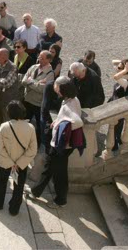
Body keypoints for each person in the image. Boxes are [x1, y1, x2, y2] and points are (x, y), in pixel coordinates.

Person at [28, 76, 83, 208]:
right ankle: (36, 192)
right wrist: (58, 120)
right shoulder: (73, 99)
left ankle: (60, 200)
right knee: (52, 169)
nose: (55, 89)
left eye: (57, 88)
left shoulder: (69, 104)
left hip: (62, 145)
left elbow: (77, 122)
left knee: (58, 173)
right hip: (64, 145)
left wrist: (62, 125)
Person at [0, 100, 37, 214]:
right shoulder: (30, 127)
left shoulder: (4, 127)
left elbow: (0, 148)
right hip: (21, 165)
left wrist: (11, 162)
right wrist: (18, 164)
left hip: (4, 162)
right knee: (19, 187)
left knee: (0, 182)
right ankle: (14, 209)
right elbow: (32, 150)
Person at [22, 51, 54, 148]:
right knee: (24, 122)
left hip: (38, 103)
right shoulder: (33, 67)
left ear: (48, 60)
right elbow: (23, 81)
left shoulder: (50, 74)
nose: (39, 59)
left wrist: (30, 81)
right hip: (27, 100)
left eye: (42, 58)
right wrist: (36, 83)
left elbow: (43, 89)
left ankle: (36, 144)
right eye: (39, 57)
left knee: (39, 127)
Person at [110, 59, 128, 150]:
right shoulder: (124, 77)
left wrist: (125, 69)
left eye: (119, 67)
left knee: (115, 127)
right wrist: (124, 62)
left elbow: (115, 77)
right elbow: (113, 61)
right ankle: (117, 141)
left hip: (118, 108)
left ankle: (114, 146)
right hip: (115, 104)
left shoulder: (126, 82)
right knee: (116, 127)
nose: (117, 68)